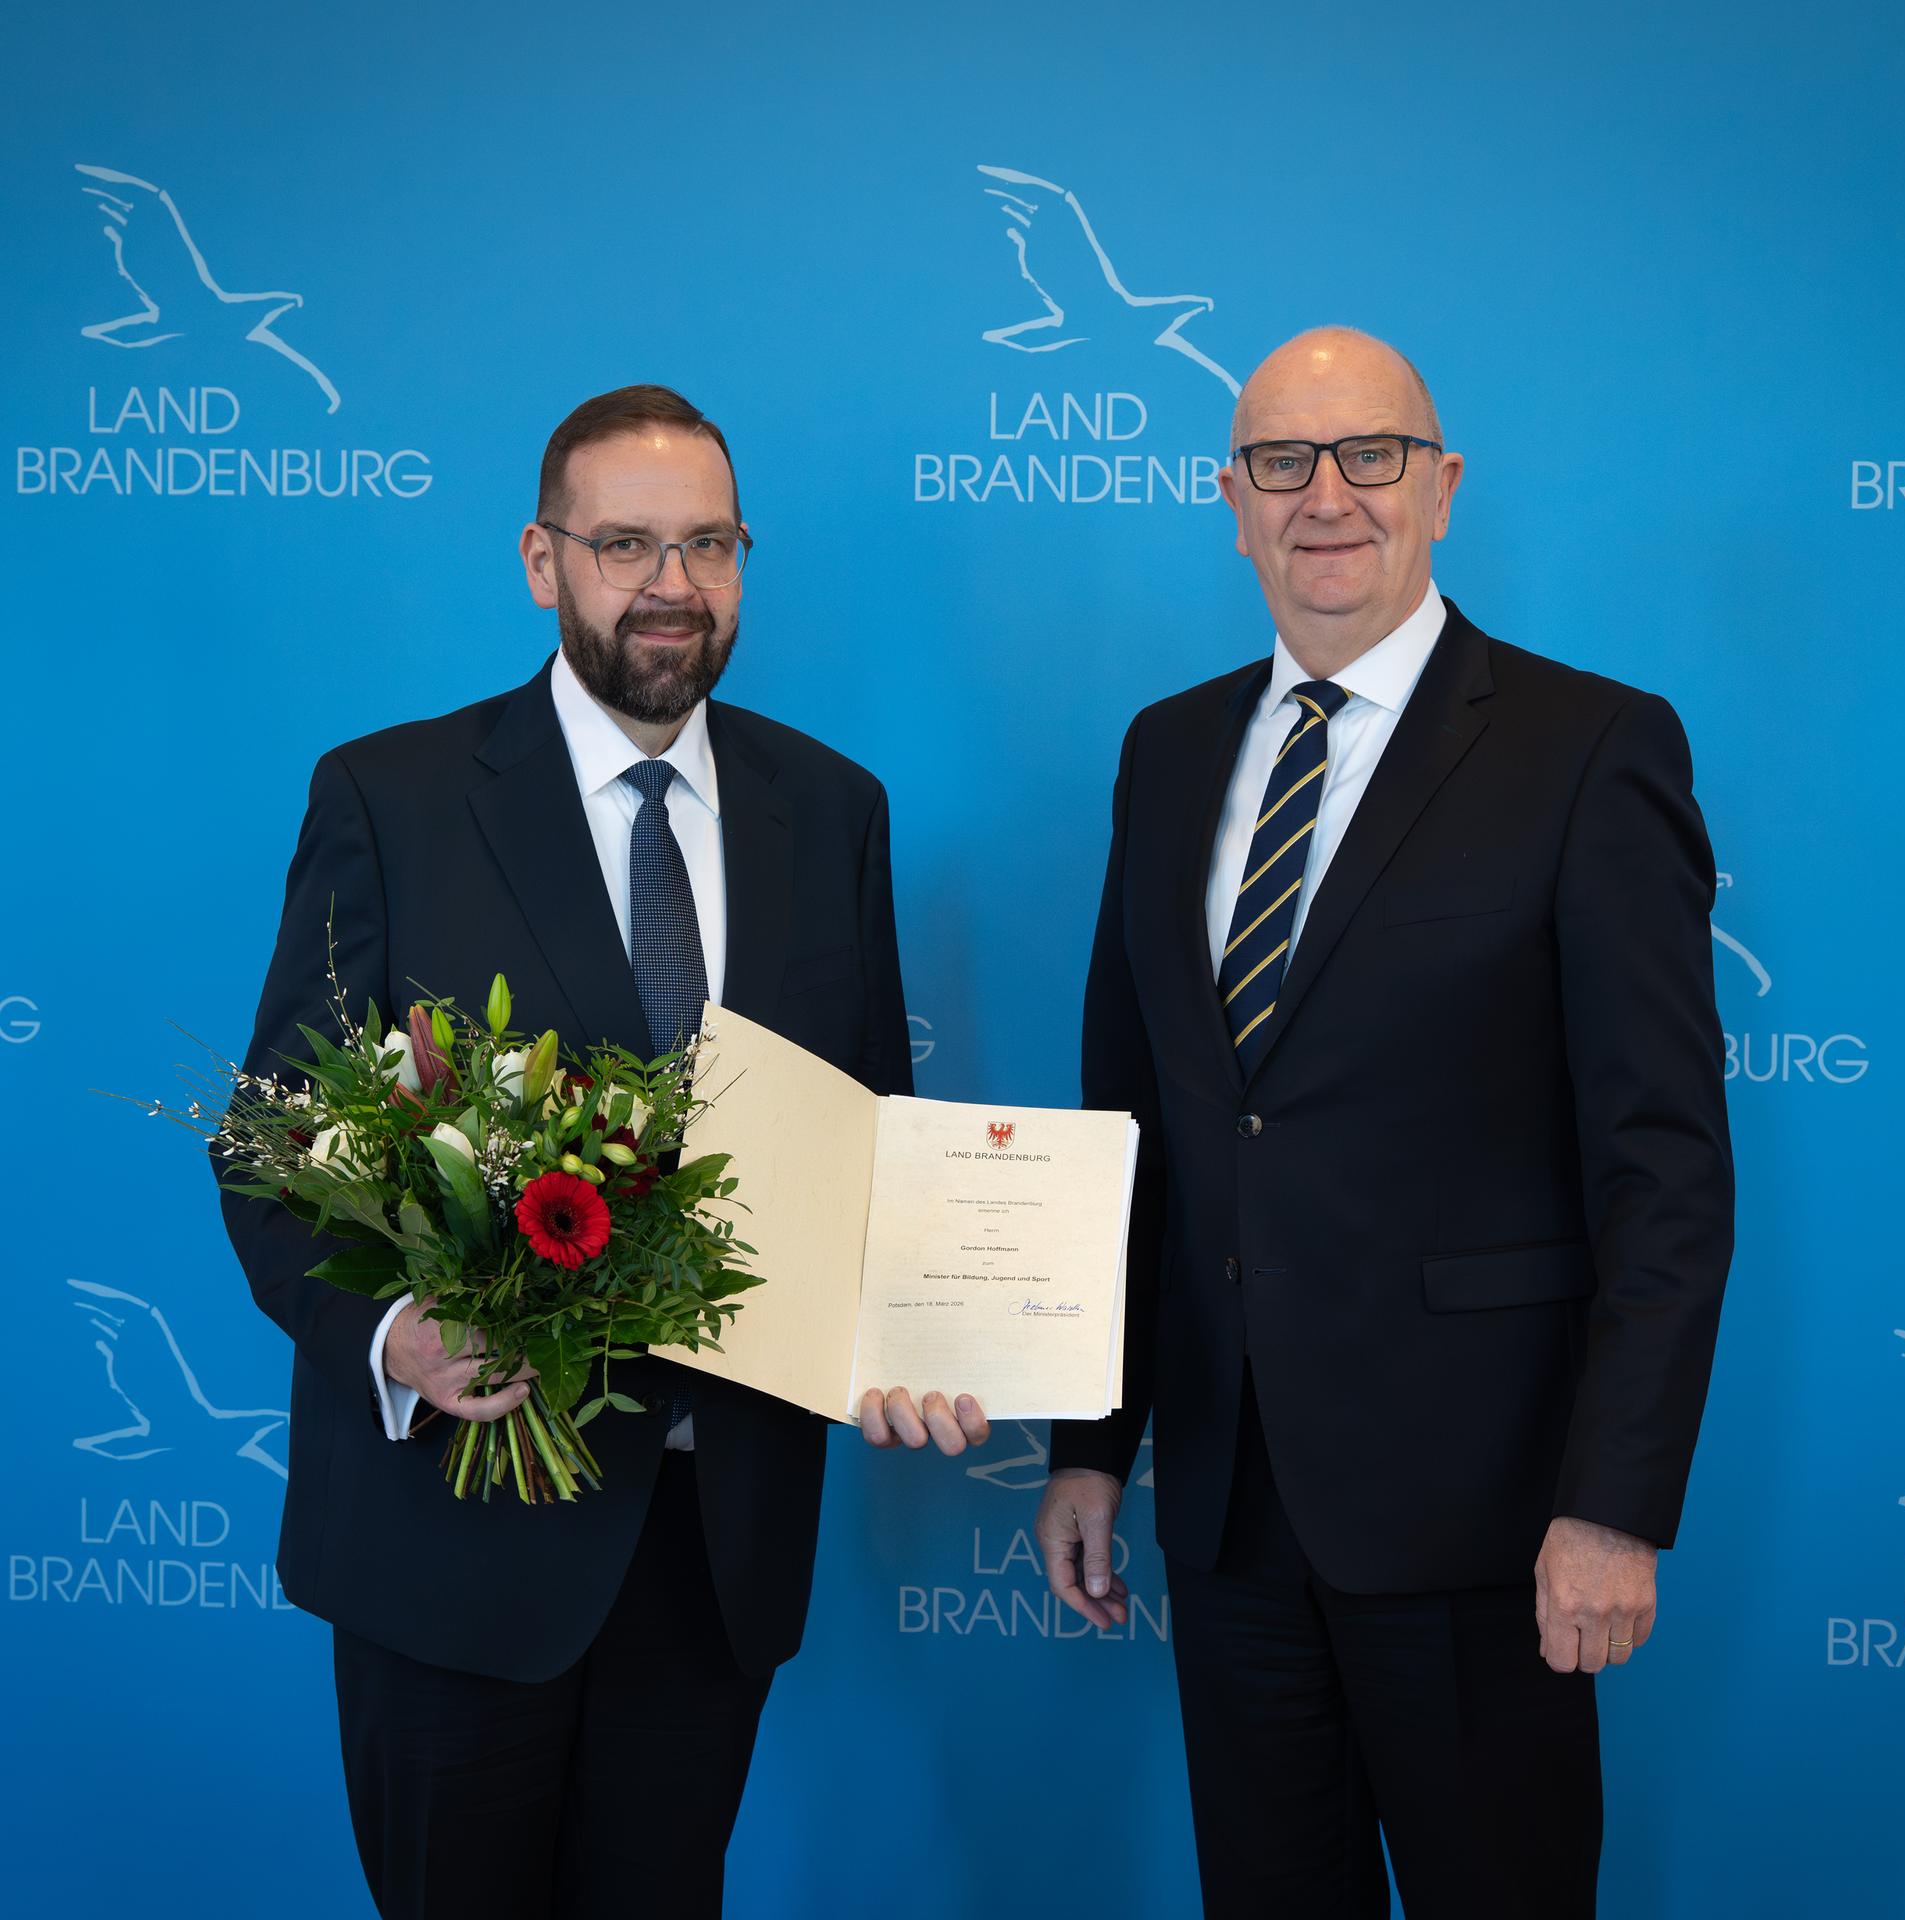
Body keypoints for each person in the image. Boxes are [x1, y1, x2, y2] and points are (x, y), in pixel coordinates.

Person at [220, 384, 986, 1920]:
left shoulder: (832, 809)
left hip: (713, 1551)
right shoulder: (391, 796)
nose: (671, 586)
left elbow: (872, 1138)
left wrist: (917, 1321)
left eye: (708, 544)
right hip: (454, 1545)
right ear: (539, 559)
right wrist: (392, 1332)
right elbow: (274, 1139)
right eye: (625, 543)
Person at [1035, 328, 1733, 1918]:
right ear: (1231, 499)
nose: (1326, 496)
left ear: (1443, 488)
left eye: (1371, 456)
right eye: (1283, 461)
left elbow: (1666, 1166)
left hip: (1488, 1517)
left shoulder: (1590, 749)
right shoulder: (1164, 752)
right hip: (1227, 1511)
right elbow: (1129, 1124)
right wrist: (1092, 1446)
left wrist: (1614, 1499)